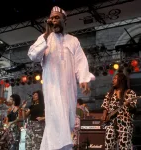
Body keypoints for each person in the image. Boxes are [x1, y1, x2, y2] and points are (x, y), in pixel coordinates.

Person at [28, 6, 95, 150]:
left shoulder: (73, 40)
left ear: (65, 20)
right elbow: (33, 55)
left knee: (68, 121)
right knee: (56, 121)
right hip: (52, 89)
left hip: (69, 90)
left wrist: (83, 79)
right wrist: (46, 34)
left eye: (57, 17)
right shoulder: (45, 38)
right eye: (51, 18)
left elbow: (80, 61)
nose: (53, 20)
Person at [101, 72, 137, 150]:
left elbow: (134, 109)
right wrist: (104, 115)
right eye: (113, 79)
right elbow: (105, 106)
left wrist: (128, 105)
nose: (113, 81)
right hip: (110, 123)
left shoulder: (130, 93)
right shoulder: (110, 93)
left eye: (115, 79)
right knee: (108, 145)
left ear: (121, 80)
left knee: (124, 146)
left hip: (125, 123)